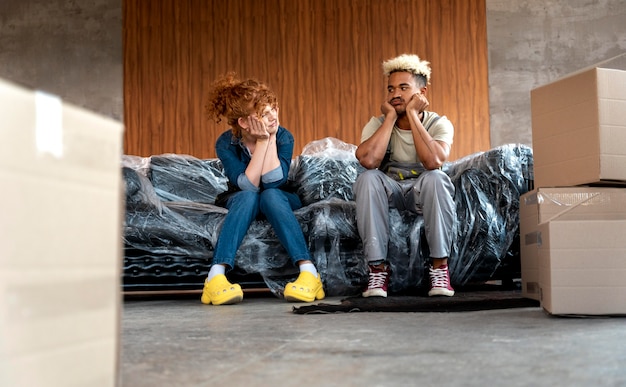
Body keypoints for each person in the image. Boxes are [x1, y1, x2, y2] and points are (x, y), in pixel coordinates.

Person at [202, 72, 325, 305]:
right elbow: (247, 184)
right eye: (263, 114)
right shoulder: (225, 143)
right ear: (244, 122)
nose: (273, 117)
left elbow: (274, 182)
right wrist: (261, 142)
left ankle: (309, 273)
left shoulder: (283, 136)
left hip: (278, 198)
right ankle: (215, 277)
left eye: (274, 109)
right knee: (249, 195)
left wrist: (269, 139)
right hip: (241, 199)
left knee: (269, 195)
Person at [353, 54, 456, 298]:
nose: (394, 94)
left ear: (422, 92)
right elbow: (368, 161)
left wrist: (412, 116)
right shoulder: (378, 123)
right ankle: (378, 271)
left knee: (436, 178)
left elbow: (433, 161)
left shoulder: (440, 124)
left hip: (422, 191)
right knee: (367, 178)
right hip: (391, 191)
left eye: (403, 87)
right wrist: (390, 118)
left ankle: (440, 268)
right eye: (390, 89)